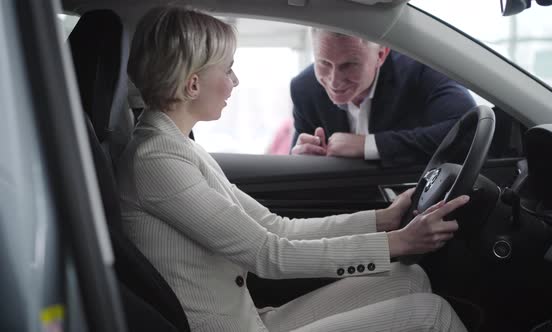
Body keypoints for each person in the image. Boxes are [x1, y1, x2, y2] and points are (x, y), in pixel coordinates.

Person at [117, 6, 470, 332]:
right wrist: (398, 242)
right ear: (193, 84)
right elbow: (269, 253)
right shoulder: (156, 160)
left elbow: (274, 226)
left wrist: (384, 221)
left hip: (251, 320)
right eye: (227, 69)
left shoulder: (179, 146)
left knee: (409, 278)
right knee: (432, 313)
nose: (235, 81)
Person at [290, 30, 476, 166]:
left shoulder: (421, 72)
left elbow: (469, 130)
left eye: (349, 65)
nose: (334, 81)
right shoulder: (304, 89)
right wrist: (300, 159)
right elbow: (299, 162)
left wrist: (369, 145)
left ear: (380, 55)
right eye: (323, 63)